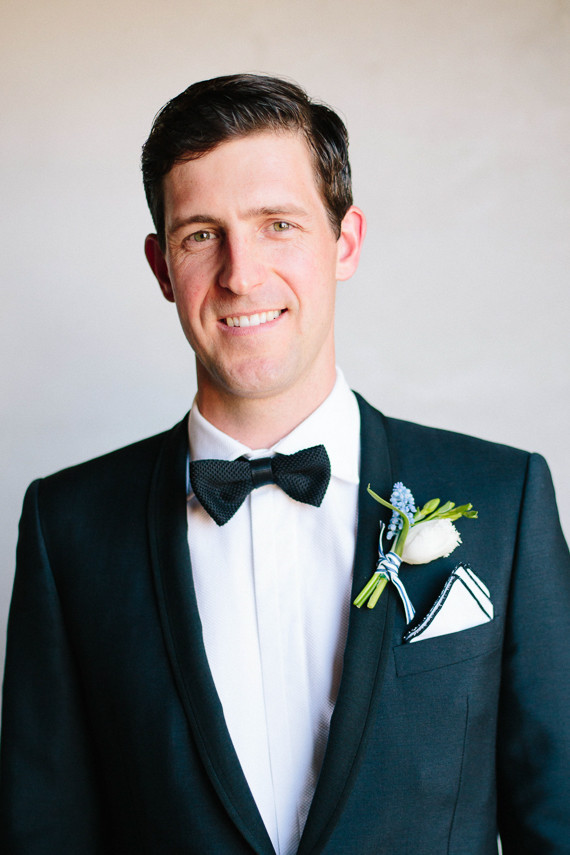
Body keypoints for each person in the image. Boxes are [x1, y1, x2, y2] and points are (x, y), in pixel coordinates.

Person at [1, 74, 569, 855]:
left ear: (345, 243)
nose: (241, 273)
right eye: (201, 233)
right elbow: (42, 834)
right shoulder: (66, 529)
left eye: (278, 224)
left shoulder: (506, 499)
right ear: (163, 266)